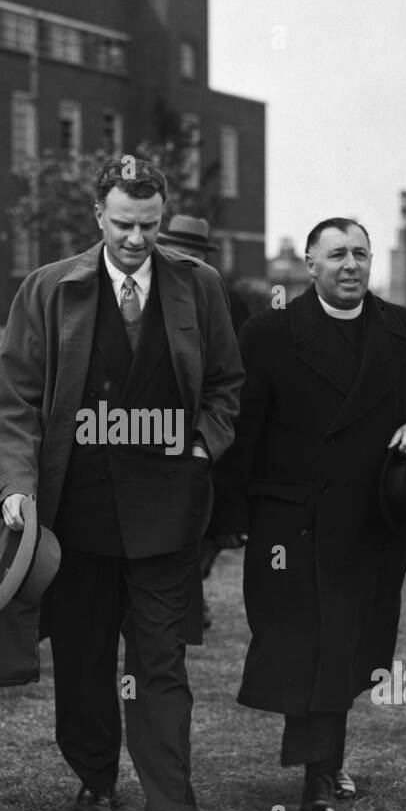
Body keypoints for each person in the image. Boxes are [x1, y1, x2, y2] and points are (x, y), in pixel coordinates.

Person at [0, 157, 243, 811]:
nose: (137, 239)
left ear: (164, 219)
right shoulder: (48, 290)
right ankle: (94, 774)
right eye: (124, 224)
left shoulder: (199, 287)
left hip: (167, 517)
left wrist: (202, 446)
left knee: (162, 663)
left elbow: (228, 384)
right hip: (76, 517)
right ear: (98, 217)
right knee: (84, 659)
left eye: (151, 225)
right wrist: (14, 484)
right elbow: (12, 404)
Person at [211, 217, 406, 811]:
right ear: (309, 266)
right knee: (309, 643)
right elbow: (243, 430)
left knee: (353, 647)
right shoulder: (269, 333)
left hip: (372, 521)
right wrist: (231, 515)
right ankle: (318, 777)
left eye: (361, 254)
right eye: (336, 254)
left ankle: (324, 761)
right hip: (293, 525)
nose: (351, 265)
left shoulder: (404, 330)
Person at [156, 214, 251, 634]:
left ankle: (192, 593)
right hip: (156, 428)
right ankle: (175, 598)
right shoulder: (146, 295)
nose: (185, 260)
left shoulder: (230, 303)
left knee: (210, 525)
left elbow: (238, 375)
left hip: (212, 429)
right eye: (178, 251)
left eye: (194, 254)